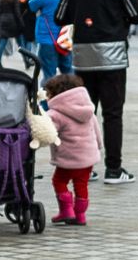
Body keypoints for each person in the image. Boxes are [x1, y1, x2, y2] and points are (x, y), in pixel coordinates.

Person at [54, 0, 138, 184]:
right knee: (113, 114)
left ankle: (85, 167)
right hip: (113, 57)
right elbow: (137, 15)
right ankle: (114, 170)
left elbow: (59, 17)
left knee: (85, 112)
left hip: (83, 56)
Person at [42, 73, 102, 226]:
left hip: (67, 159)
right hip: (87, 159)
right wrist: (99, 146)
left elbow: (48, 134)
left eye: (48, 94)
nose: (47, 98)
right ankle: (80, 215)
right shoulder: (88, 111)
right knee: (81, 185)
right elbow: (97, 131)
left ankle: (66, 210)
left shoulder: (55, 114)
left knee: (59, 181)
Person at [29, 0, 78, 82]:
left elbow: (31, 5)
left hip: (48, 39)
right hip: (66, 39)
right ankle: (71, 97)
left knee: (49, 74)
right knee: (69, 72)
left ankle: (47, 101)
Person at [0, 0, 26, 67]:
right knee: (20, 43)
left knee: (2, 42)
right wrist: (22, 24)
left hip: (3, 21)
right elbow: (17, 13)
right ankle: (26, 60)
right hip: (13, 22)